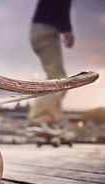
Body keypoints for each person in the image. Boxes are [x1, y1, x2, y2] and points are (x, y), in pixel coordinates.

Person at [28, 0, 74, 132]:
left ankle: (49, 120)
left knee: (55, 78)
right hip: (46, 31)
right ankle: (38, 120)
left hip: (40, 31)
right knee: (59, 79)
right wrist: (67, 30)